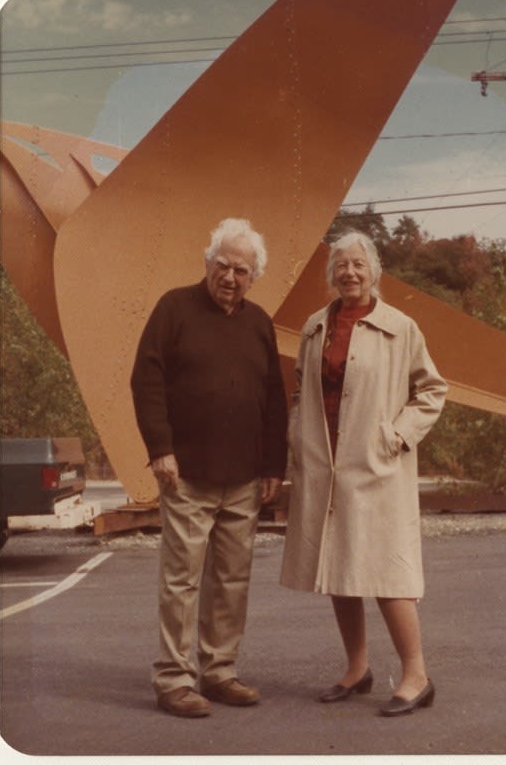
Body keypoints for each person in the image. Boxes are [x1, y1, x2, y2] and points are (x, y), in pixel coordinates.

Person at [280, 230, 447, 717]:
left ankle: (416, 675)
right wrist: (297, 434)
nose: (349, 272)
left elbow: (432, 390)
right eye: (340, 265)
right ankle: (357, 668)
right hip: (323, 463)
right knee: (338, 567)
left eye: (358, 264)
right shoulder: (315, 326)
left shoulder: (400, 326)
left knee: (388, 572)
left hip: (376, 465)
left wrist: (396, 435)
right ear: (331, 274)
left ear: (374, 271)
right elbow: (298, 390)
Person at [131, 218, 288, 718]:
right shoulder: (174, 308)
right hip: (188, 474)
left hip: (244, 477)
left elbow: (273, 399)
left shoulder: (260, 322)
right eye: (222, 265)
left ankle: (220, 672)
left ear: (254, 276)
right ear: (208, 263)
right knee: (182, 579)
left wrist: (273, 467)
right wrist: (161, 448)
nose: (230, 276)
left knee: (232, 579)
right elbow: (146, 381)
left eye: (241, 269)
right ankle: (175, 679)